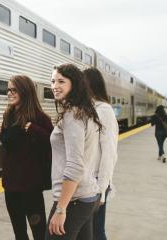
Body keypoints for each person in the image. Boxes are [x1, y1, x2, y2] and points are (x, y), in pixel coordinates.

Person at [47, 64, 102, 240]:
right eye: (53, 81)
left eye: (61, 81)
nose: (55, 86)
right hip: (86, 195)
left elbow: (75, 165)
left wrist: (61, 208)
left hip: (73, 200)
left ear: (74, 84)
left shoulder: (73, 115)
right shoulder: (85, 112)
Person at [0, 75, 53, 240]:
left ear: (25, 92)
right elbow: (11, 146)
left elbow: (53, 143)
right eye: (8, 90)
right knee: (19, 232)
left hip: (31, 187)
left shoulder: (39, 117)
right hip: (11, 185)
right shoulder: (8, 114)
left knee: (39, 232)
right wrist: (0, 134)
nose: (10, 93)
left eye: (14, 90)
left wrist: (35, 129)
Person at [83, 68, 119, 240]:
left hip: (97, 181)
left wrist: (102, 188)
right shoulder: (87, 108)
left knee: (96, 232)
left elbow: (109, 151)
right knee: (86, 232)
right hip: (85, 180)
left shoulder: (103, 110)